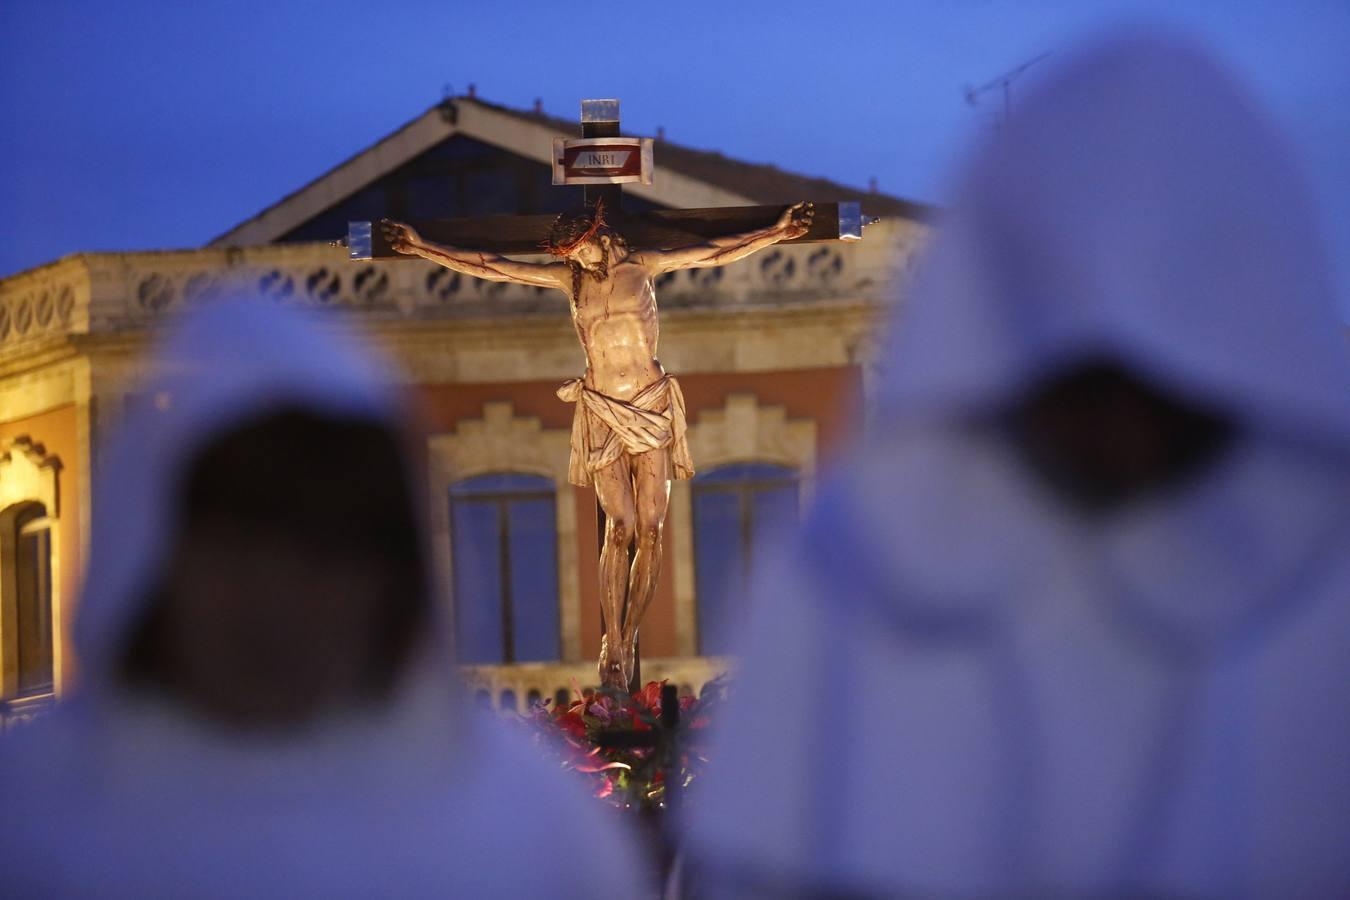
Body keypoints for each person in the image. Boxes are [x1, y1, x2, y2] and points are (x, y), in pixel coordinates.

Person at [682, 31, 1350, 898]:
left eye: (1160, 379)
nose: (1122, 426)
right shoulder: (855, 567)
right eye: (1088, 377)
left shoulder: (1324, 594)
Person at [0, 298, 649, 898]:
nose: (282, 593)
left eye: (331, 549)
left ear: (395, 575)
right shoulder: (29, 819)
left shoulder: (532, 832)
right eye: (241, 537)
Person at [382, 200, 814, 688]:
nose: (576, 259)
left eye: (580, 249)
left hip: (649, 405)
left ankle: (629, 635)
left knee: (651, 527)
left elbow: (715, 253)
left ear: (600, 236)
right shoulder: (571, 282)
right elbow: (493, 267)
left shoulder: (643, 266)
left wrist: (777, 233)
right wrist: (421, 247)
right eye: (569, 253)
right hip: (601, 409)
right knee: (619, 526)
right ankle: (611, 639)